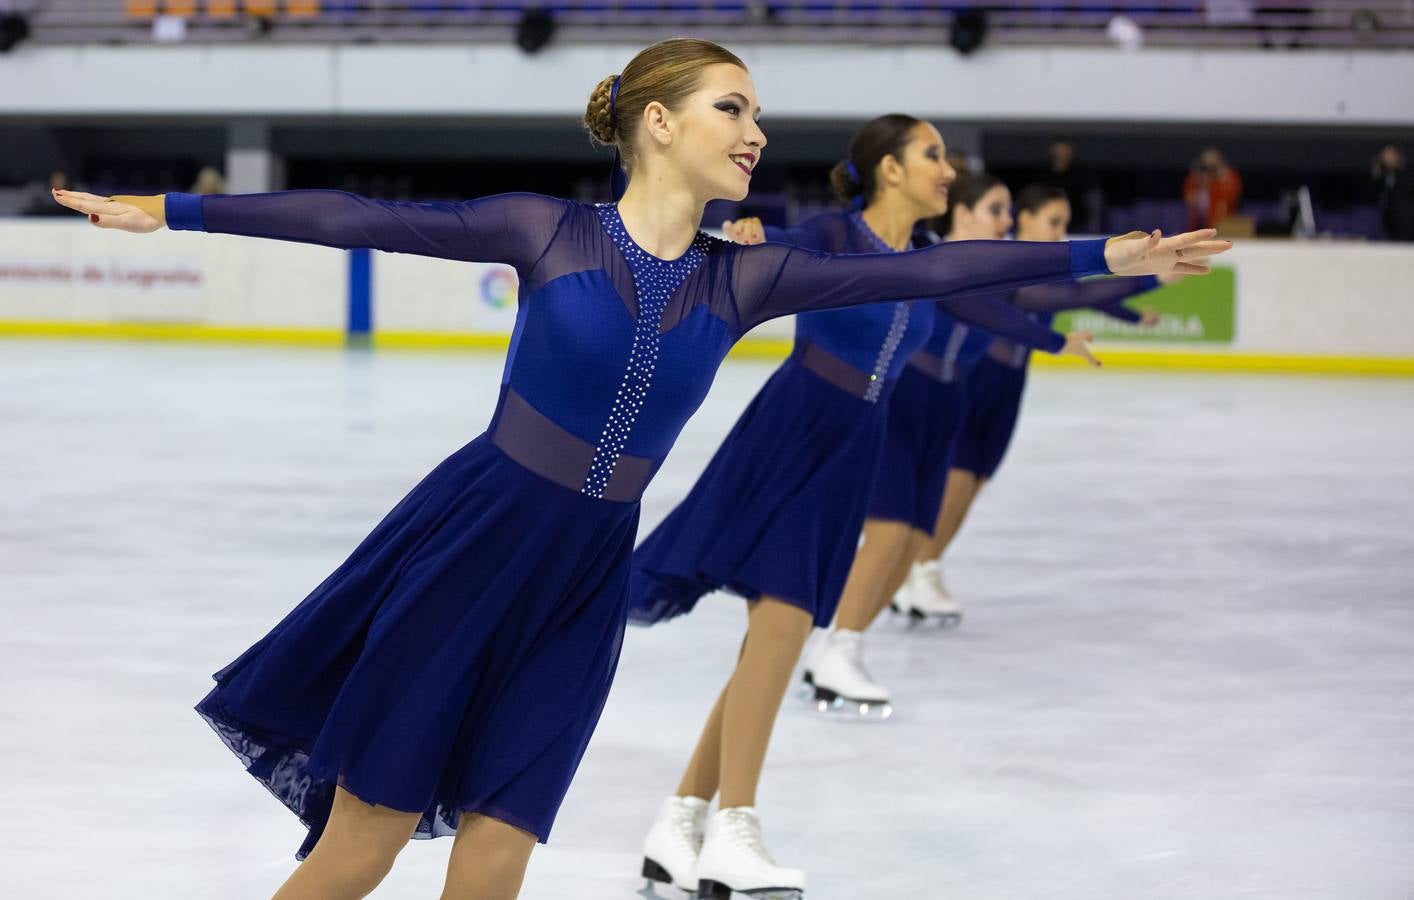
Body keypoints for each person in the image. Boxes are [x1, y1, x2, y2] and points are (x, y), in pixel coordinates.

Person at [51, 38, 1225, 900]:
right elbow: (355, 216)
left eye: (758, 112)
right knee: (366, 838)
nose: (755, 131)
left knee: (504, 838)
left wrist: (1101, 253)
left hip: (583, 577)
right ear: (657, 122)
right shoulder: (544, 233)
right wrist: (176, 210)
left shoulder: (744, 280)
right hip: (474, 541)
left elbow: (927, 275)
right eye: (732, 107)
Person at [629, 117, 1099, 899]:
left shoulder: (922, 260)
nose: (948, 170)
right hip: (800, 425)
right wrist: (744, 232)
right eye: (933, 155)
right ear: (889, 170)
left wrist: (1058, 338)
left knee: (773, 643)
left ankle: (680, 823)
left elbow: (988, 304)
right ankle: (733, 829)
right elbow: (769, 241)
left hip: (857, 440)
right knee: (779, 627)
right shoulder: (834, 235)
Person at [809, 180, 1178, 713]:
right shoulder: (934, 261)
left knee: (912, 539)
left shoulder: (992, 276)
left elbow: (1062, 296)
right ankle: (838, 643)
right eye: (995, 210)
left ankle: (839, 646)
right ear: (962, 213)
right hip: (903, 398)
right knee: (890, 535)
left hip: (948, 402)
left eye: (1007, 210)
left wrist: (1131, 282)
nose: (1004, 221)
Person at [1184, 147, 1242, 230]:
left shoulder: (1228, 177)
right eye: (1206, 167)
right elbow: (1189, 200)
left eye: (1212, 168)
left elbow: (1232, 198)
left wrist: (1220, 181)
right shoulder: (1194, 179)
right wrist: (1201, 184)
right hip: (1197, 224)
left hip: (1223, 224)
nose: (1209, 172)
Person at [1371, 144, 1414, 241]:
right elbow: (1376, 191)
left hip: (1405, 215)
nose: (1386, 158)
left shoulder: (1407, 174)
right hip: (1388, 214)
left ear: (1397, 157)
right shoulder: (1385, 175)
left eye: (1389, 155)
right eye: (1385, 155)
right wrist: (1377, 168)